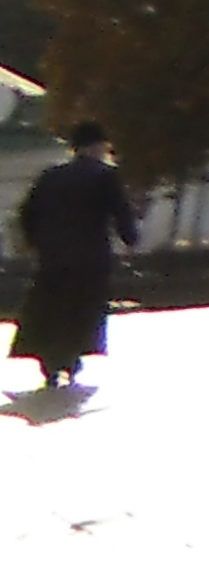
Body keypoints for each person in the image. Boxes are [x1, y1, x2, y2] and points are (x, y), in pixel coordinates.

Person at [15, 122, 141, 390]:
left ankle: (49, 360)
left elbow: (27, 213)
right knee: (82, 311)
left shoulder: (50, 176)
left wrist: (35, 242)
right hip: (90, 258)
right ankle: (71, 360)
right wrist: (130, 239)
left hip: (53, 259)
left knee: (50, 309)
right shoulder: (105, 175)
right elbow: (120, 211)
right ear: (98, 146)